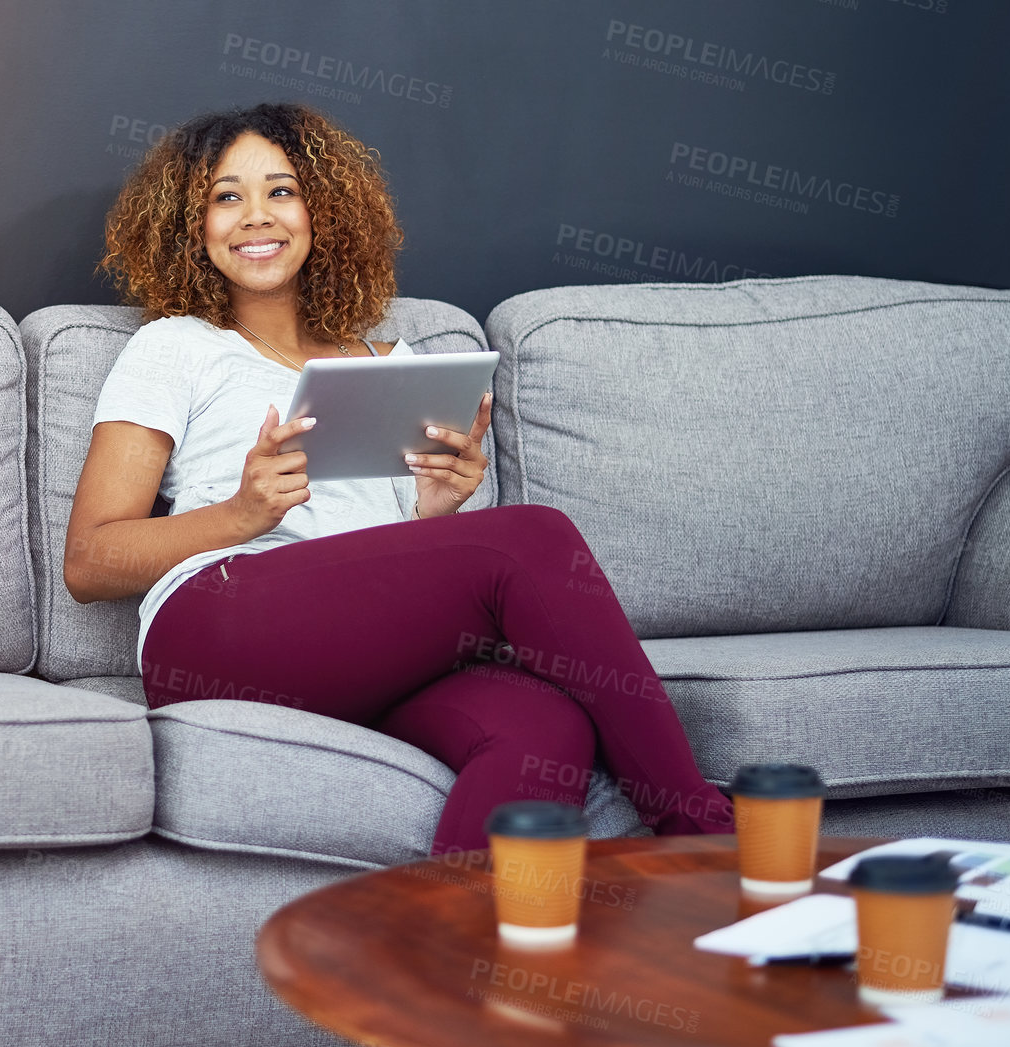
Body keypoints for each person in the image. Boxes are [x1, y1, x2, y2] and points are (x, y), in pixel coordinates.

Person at [64, 101, 733, 853]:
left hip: (356, 653)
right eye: (226, 196)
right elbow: (89, 563)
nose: (256, 216)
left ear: (324, 211)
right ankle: (701, 834)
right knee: (530, 537)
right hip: (217, 627)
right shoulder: (175, 347)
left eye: (281, 191)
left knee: (547, 727)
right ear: (191, 225)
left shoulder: (402, 365)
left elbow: (383, 576)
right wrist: (240, 514)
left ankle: (456, 950)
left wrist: (435, 512)